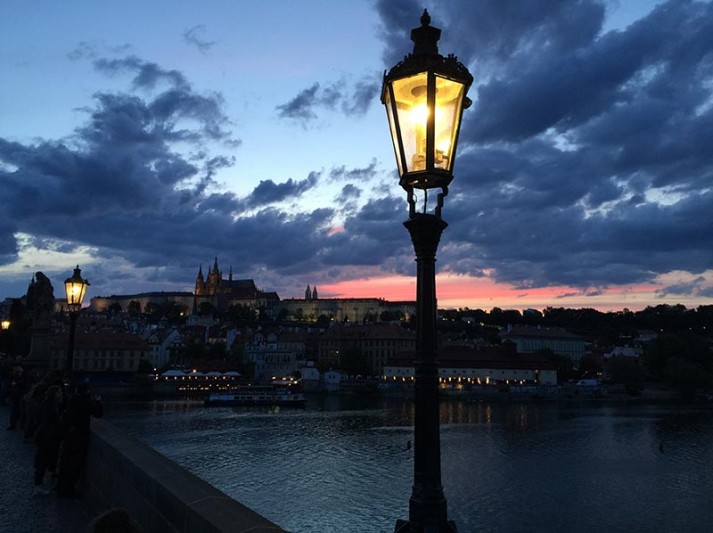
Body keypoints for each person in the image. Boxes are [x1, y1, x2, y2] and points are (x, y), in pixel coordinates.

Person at [55, 382, 103, 498]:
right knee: (75, 465)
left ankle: (60, 487)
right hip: (79, 438)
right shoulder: (86, 402)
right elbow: (98, 414)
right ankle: (69, 490)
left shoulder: (71, 400)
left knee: (65, 463)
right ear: (87, 391)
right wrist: (98, 402)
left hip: (69, 436)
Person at [33, 385, 64, 496]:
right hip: (46, 438)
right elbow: (46, 423)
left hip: (46, 437)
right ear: (55, 394)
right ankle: (38, 485)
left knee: (43, 461)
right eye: (59, 392)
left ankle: (39, 484)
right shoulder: (49, 405)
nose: (61, 394)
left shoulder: (50, 404)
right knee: (42, 462)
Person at [6, 364, 27, 430]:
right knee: (14, 410)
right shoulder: (16, 374)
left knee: (21, 411)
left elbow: (25, 384)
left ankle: (21, 426)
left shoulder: (24, 374)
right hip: (15, 395)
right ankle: (13, 425)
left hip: (21, 395)